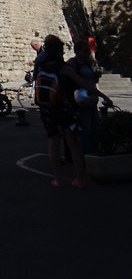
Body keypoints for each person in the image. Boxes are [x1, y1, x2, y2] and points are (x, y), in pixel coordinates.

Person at [34, 34, 86, 187]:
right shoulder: (62, 67)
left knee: (53, 143)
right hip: (63, 107)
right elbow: (81, 82)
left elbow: (36, 80)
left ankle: (57, 178)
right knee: (73, 143)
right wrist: (101, 95)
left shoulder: (41, 63)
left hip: (47, 108)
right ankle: (79, 179)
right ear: (59, 50)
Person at [67, 39, 113, 156]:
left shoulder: (86, 63)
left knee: (94, 127)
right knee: (85, 129)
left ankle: (93, 152)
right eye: (85, 50)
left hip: (91, 100)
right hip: (81, 101)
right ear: (77, 51)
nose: (88, 53)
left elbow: (91, 81)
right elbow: (80, 82)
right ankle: (87, 155)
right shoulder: (73, 64)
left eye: (88, 50)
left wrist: (96, 76)